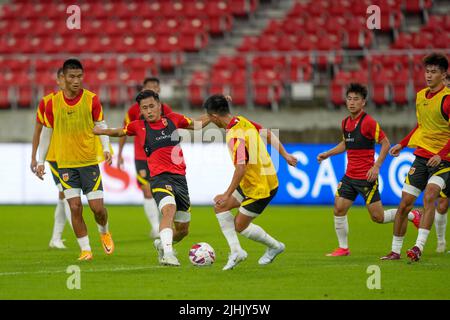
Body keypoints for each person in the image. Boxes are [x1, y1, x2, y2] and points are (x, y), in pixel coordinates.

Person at [93, 89, 210, 266]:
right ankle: (169, 255)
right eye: (144, 108)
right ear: (140, 110)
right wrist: (101, 131)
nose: (148, 111)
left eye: (151, 106)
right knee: (168, 209)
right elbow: (120, 132)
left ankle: (161, 244)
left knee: (183, 230)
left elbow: (197, 124)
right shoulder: (138, 126)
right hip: (159, 179)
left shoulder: (174, 119)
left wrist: (214, 114)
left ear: (159, 106)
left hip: (180, 179)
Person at [317, 83, 421, 257]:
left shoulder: (369, 122)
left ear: (363, 102)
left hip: (367, 177)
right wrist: (328, 154)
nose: (352, 102)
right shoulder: (345, 122)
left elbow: (386, 143)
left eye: (356, 99)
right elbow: (346, 144)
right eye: (349, 99)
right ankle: (343, 248)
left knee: (378, 218)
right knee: (339, 208)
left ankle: (412, 215)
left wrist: (376, 166)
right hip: (349, 176)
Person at [203, 94, 298, 270]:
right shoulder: (241, 120)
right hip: (256, 180)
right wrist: (285, 155)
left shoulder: (234, 137)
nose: (208, 120)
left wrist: (227, 193)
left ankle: (275, 247)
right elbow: (268, 134)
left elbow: (241, 168)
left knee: (239, 225)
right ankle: (237, 251)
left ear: (214, 117)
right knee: (220, 207)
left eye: (209, 116)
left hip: (260, 188)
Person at [36, 58, 114, 261]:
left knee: (97, 209)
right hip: (65, 164)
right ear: (63, 78)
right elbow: (47, 132)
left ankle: (104, 230)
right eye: (72, 76)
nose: (76, 80)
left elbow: (101, 124)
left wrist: (106, 148)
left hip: (89, 162)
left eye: (79, 76)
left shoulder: (92, 99)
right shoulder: (52, 103)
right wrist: (40, 160)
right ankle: (86, 249)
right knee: (74, 207)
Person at [381, 53, 450, 261]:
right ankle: (395, 251)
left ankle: (418, 247)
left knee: (430, 196)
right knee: (404, 205)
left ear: (444, 74)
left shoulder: (447, 101)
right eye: (427, 71)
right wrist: (402, 143)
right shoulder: (420, 96)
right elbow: (421, 126)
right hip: (421, 157)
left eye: (434, 72)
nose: (429, 76)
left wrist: (441, 154)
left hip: (444, 160)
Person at [117, 77, 172, 239]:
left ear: (159, 90)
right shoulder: (134, 110)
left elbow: (174, 128)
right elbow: (124, 131)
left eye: (156, 86)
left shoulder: (165, 109)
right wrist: (119, 154)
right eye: (150, 87)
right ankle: (155, 227)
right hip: (141, 157)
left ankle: (165, 223)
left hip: (162, 156)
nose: (153, 89)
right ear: (143, 89)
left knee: (165, 191)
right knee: (147, 191)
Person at [31, 68, 72, 249]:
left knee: (63, 195)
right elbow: (38, 130)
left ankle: (55, 238)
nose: (66, 81)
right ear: (58, 80)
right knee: (68, 194)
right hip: (55, 156)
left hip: (72, 155)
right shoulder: (48, 102)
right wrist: (35, 157)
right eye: (63, 78)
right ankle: (81, 242)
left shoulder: (79, 101)